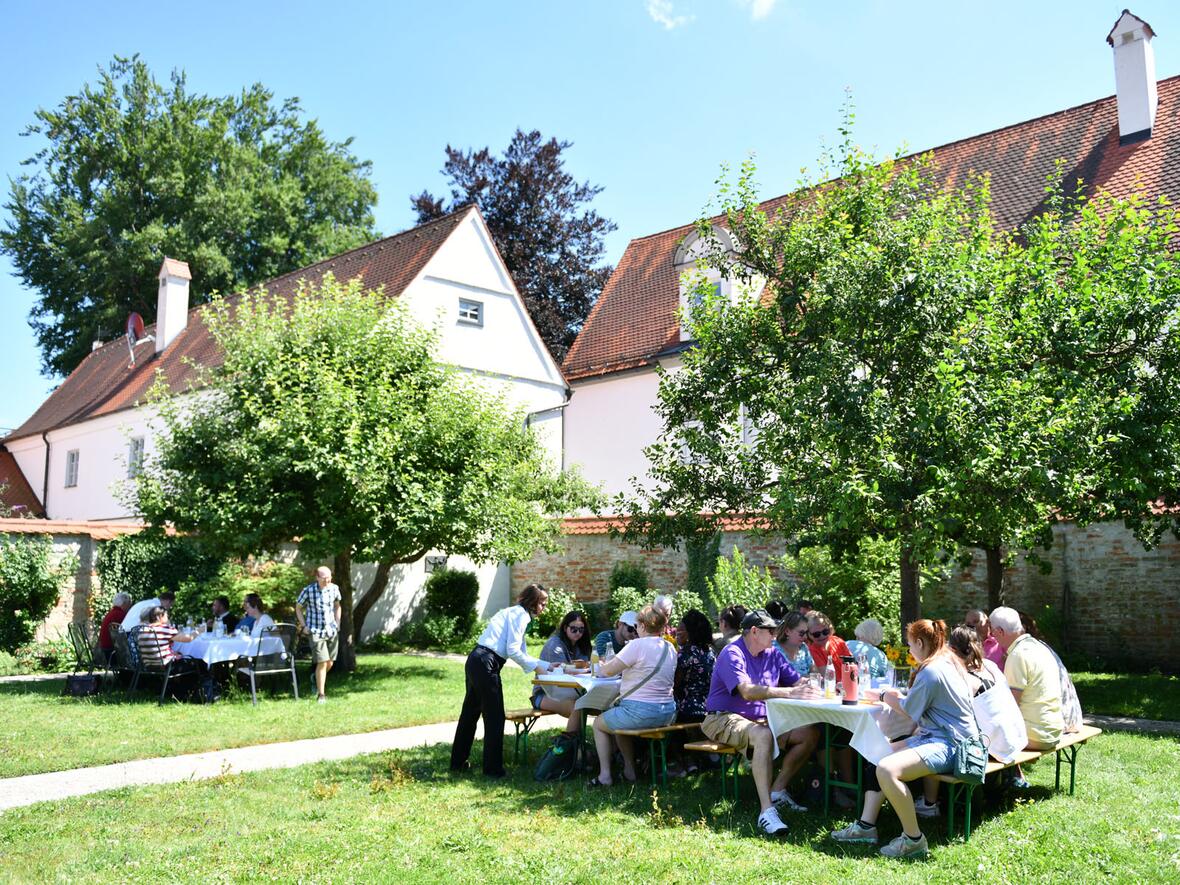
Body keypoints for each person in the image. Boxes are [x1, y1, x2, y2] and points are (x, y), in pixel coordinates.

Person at [831, 619, 980, 859]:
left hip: (953, 745)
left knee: (887, 769)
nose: (909, 651)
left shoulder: (932, 670)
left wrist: (883, 695)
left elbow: (909, 710)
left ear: (920, 642)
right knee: (877, 753)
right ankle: (865, 827)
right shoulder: (947, 661)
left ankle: (913, 840)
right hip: (939, 737)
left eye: (910, 645)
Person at [701, 609, 820, 837]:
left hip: (761, 720)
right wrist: (789, 693)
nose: (775, 635)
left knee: (810, 733)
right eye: (771, 631)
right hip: (722, 717)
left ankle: (777, 791)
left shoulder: (772, 654)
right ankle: (766, 811)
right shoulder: (732, 653)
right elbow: (746, 691)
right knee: (763, 735)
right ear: (754, 631)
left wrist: (813, 683)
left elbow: (797, 681)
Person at [913, 624, 1026, 819]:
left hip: (996, 745)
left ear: (953, 651)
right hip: (1014, 736)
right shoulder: (989, 665)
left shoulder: (964, 678)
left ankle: (929, 803)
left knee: (932, 738)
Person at [450, 584, 553, 777]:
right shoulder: (520, 616)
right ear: (533, 602)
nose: (544, 608)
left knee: (470, 714)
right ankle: (493, 770)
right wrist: (541, 667)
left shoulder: (516, 613)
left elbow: (520, 651)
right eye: (543, 603)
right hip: (486, 663)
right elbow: (513, 650)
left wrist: (545, 665)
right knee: (495, 717)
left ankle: (457, 764)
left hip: (475, 659)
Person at [588, 605, 678, 786]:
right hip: (667, 713)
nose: (636, 629)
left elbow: (608, 671)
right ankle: (629, 771)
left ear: (643, 626)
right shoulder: (670, 647)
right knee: (618, 719)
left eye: (636, 626)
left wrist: (603, 663)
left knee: (598, 723)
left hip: (640, 712)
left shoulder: (637, 645)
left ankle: (604, 776)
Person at [990, 606, 1064, 750]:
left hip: (1034, 735)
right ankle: (1012, 773)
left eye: (993, 632)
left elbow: (1011, 705)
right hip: (1054, 730)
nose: (993, 637)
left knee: (981, 738)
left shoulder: (1017, 655)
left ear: (1000, 631)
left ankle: (1009, 773)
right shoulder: (1040, 647)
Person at [530, 609, 591, 736]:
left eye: (581, 629)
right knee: (578, 707)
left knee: (594, 706)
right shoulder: (555, 645)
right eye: (574, 629)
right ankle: (568, 748)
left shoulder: (581, 645)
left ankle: (580, 750)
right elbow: (561, 674)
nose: (578, 633)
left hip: (571, 693)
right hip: (544, 694)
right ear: (565, 628)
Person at [296, 566, 343, 703]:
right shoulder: (308, 591)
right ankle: (321, 695)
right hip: (315, 631)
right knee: (322, 662)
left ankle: (315, 677)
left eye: (329, 577)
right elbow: (298, 608)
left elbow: (337, 606)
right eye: (324, 578)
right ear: (317, 577)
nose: (327, 580)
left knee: (330, 662)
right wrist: (304, 626)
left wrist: (338, 623)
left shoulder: (334, 588)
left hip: (331, 630)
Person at [806, 610, 853, 683]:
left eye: (825, 631)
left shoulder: (838, 642)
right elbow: (827, 676)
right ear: (808, 635)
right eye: (816, 634)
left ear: (830, 628)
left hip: (847, 684)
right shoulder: (811, 649)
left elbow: (852, 665)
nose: (822, 636)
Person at [773, 612, 813, 677]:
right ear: (787, 631)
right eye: (801, 633)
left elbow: (814, 672)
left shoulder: (803, 648)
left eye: (806, 632)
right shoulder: (773, 649)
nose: (805, 637)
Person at [97, 592, 131, 664]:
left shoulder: (111, 613)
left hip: (105, 651)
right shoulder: (121, 615)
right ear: (124, 604)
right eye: (129, 604)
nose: (130, 606)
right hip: (113, 653)